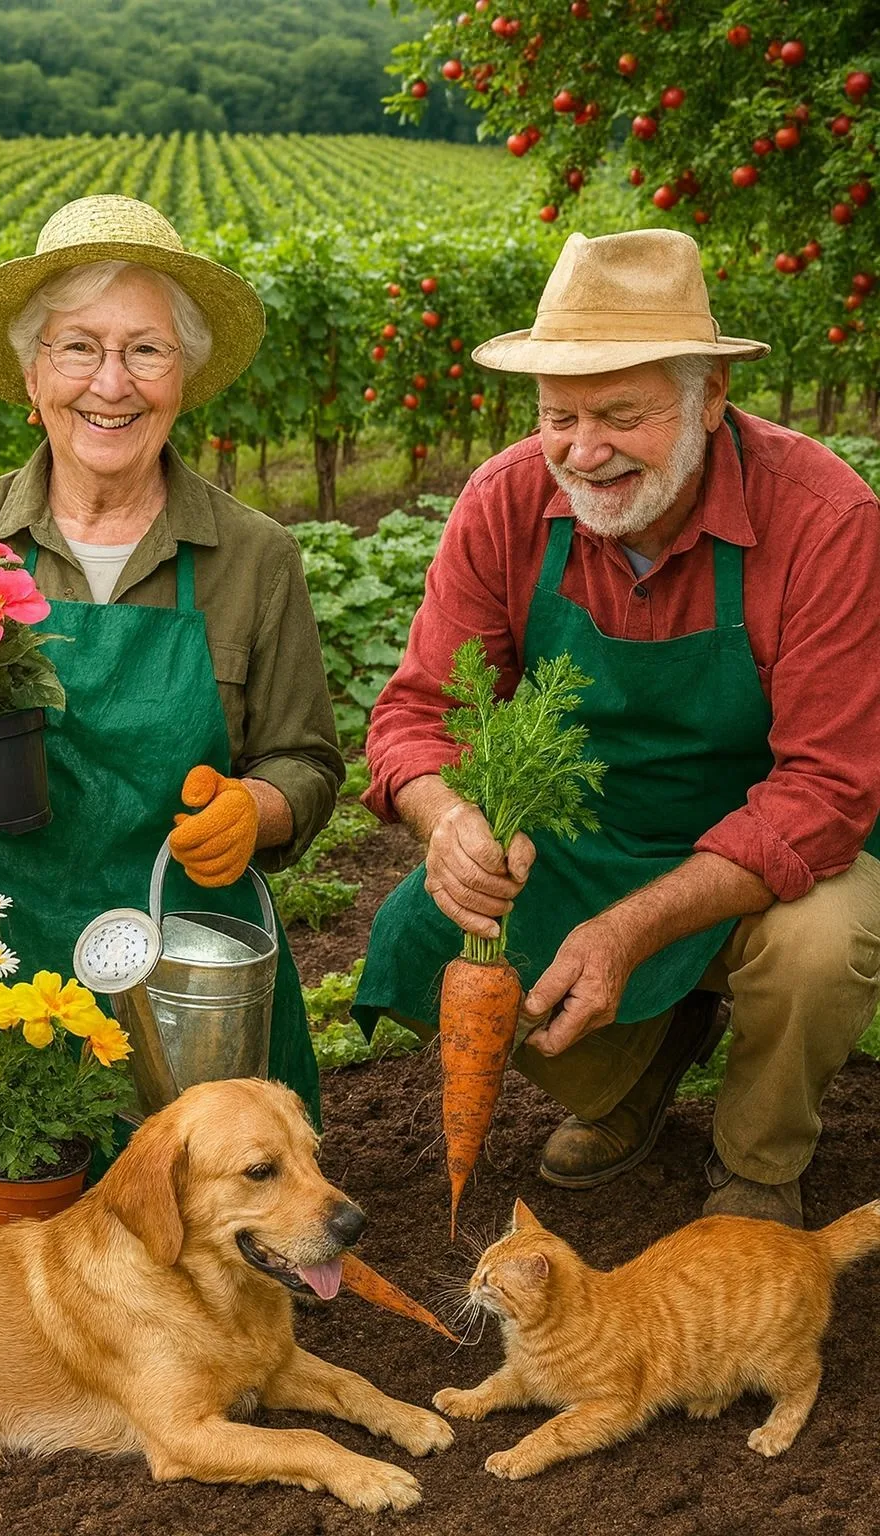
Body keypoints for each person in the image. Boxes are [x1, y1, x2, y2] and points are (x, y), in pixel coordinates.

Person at [353, 229, 880, 1228]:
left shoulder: (823, 517)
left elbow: (822, 792)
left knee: (821, 944)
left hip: (779, 844)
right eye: (559, 415)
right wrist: (445, 819)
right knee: (426, 929)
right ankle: (631, 1075)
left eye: (620, 415)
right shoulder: (508, 499)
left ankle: (758, 1159)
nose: (581, 451)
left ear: (708, 401)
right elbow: (415, 714)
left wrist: (628, 930)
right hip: (593, 828)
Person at [0, 195, 342, 1126]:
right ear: (33, 377)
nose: (110, 383)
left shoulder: (253, 556)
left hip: (180, 969)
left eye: (146, 350)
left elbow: (307, 760)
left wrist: (259, 807)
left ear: (184, 377)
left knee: (191, 1232)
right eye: (79, 347)